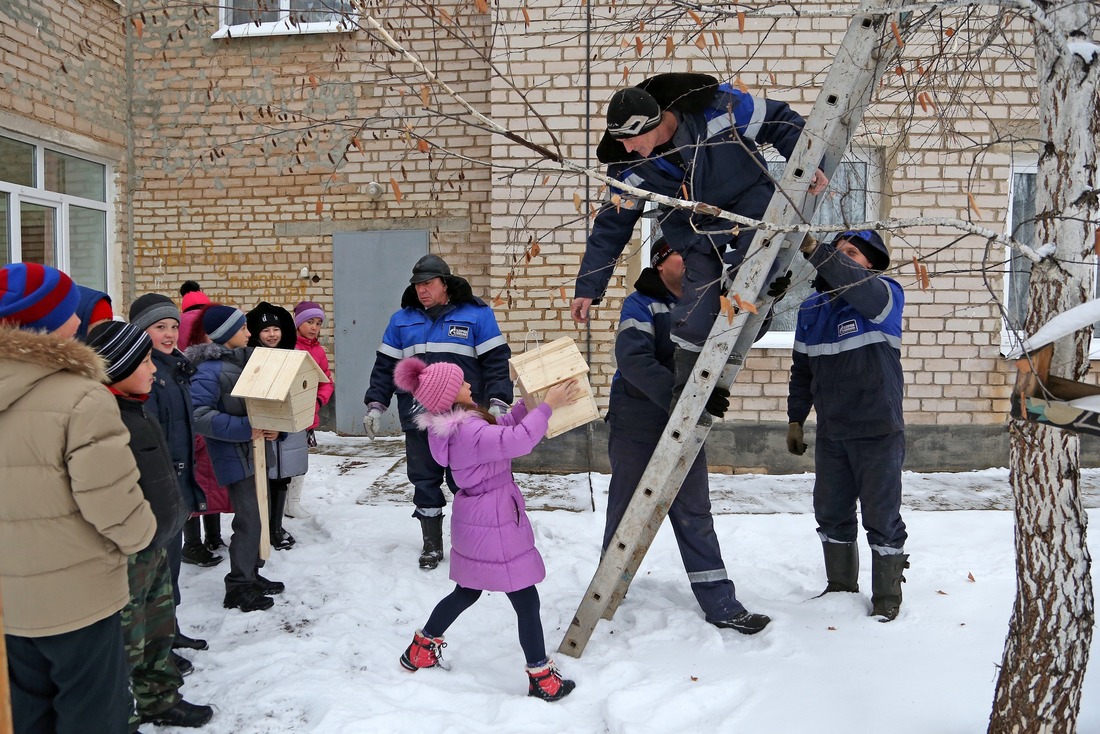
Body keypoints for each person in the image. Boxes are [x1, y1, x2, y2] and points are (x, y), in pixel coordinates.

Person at [570, 73, 827, 393]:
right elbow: (611, 226)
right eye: (621, 140)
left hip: (750, 207)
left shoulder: (720, 111)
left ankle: (759, 312)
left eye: (632, 139)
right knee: (695, 313)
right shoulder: (629, 168)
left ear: (654, 122)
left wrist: (808, 160)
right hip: (695, 230)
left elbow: (778, 119)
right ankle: (687, 393)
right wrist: (588, 286)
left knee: (751, 278)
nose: (628, 148)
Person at [0, 262, 157, 733]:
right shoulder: (82, 398)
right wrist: (142, 536)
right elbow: (112, 501)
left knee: (29, 716)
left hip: (9, 601)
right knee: (92, 715)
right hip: (76, 601)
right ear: (56, 322)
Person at [603, 239, 771, 635]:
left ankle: (720, 602)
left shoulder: (707, 301)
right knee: (627, 508)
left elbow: (740, 329)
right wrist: (682, 398)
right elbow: (633, 360)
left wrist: (767, 303)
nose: (695, 262)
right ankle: (607, 591)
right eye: (685, 254)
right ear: (663, 263)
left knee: (693, 510)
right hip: (637, 421)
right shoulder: (641, 305)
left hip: (685, 419)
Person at [393, 356, 580, 702]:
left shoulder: (460, 425)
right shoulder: (470, 430)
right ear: (451, 396)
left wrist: (528, 404)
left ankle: (421, 649)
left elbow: (505, 427)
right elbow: (519, 441)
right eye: (462, 383)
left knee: (467, 590)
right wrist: (549, 406)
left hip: (476, 515)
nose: (469, 385)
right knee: (525, 597)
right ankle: (541, 677)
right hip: (493, 519)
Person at [86, 321, 213, 730]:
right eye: (143, 362)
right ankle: (121, 716)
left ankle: (159, 700)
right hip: (125, 553)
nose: (154, 369)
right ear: (118, 366)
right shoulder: (102, 419)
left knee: (157, 631)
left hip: (154, 542)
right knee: (127, 643)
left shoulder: (134, 406)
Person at [785, 230, 909, 621]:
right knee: (831, 509)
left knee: (881, 515)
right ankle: (840, 585)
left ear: (870, 262)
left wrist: (817, 251)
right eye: (837, 252)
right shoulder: (811, 309)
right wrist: (795, 419)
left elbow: (855, 286)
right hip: (833, 433)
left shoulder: (884, 294)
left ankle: (887, 597)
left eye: (851, 252)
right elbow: (801, 371)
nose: (841, 258)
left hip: (877, 429)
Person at [363, 255, 513, 570]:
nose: (422, 290)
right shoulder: (401, 320)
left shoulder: (477, 315)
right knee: (424, 480)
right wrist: (376, 403)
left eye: (428, 283)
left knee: (468, 481)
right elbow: (385, 367)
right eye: (417, 284)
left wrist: (499, 399)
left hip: (465, 418)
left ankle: (473, 539)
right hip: (419, 415)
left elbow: (496, 361)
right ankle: (431, 544)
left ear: (445, 283)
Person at [129, 292, 214, 667]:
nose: (168, 334)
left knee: (172, 564)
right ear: (140, 332)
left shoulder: (174, 367)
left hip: (176, 478)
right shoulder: (147, 374)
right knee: (157, 569)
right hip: (159, 484)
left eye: (173, 326)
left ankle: (171, 629)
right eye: (159, 327)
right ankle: (157, 645)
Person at [186, 304, 283, 612]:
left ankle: (251, 574)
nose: (249, 332)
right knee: (248, 519)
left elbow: (260, 405)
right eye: (242, 328)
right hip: (232, 455)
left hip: (255, 452)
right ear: (227, 335)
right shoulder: (207, 371)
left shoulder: (246, 362)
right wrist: (246, 428)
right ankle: (239, 585)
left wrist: (271, 429)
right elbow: (199, 415)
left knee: (258, 517)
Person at [247, 301, 308, 548]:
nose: (272, 335)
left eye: (276, 330)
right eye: (266, 331)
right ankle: (263, 528)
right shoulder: (252, 359)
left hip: (284, 430)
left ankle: (275, 526)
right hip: (260, 429)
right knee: (262, 478)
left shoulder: (290, 357)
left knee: (281, 477)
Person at [176, 280, 225, 557]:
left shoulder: (179, 321)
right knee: (212, 482)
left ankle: (192, 542)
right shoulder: (210, 318)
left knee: (192, 484)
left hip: (190, 415)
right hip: (212, 415)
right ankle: (214, 537)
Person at [284, 300, 334, 520]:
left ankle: (293, 501)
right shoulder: (290, 346)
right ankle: (280, 501)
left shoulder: (319, 352)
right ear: (298, 323)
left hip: (307, 414)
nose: (314, 327)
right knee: (283, 460)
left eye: (318, 323)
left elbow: (326, 381)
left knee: (299, 460)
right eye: (309, 322)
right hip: (287, 414)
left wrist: (318, 402)